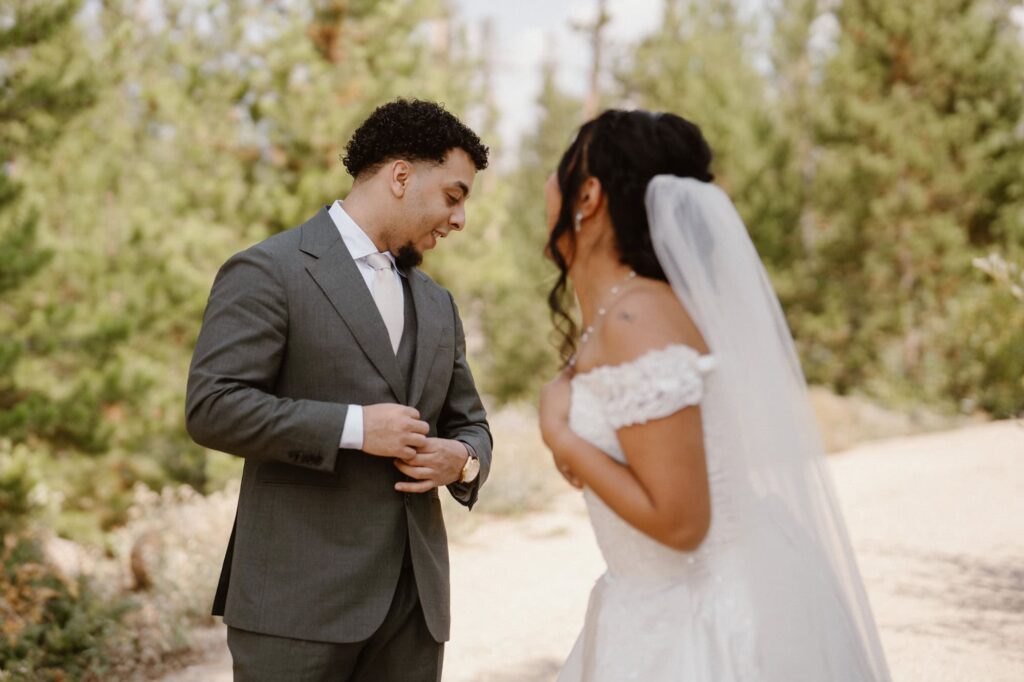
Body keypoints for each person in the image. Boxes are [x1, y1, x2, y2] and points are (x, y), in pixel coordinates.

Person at [538, 109, 891, 681]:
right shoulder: (630, 308)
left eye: (560, 171)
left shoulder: (637, 317)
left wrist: (561, 436)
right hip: (642, 601)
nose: (546, 187)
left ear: (590, 195)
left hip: (696, 621)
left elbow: (681, 523)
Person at [185, 98, 492, 682]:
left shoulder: (436, 303)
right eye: (454, 196)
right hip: (297, 607)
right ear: (401, 176)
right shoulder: (268, 270)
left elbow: (470, 422)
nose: (459, 219)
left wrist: (465, 461)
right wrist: (355, 428)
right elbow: (213, 406)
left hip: (413, 612)